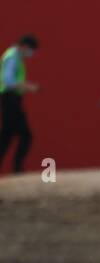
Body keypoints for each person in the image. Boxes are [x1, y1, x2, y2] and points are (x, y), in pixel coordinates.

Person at [0, 34, 38, 175]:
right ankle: (17, 169)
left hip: (11, 99)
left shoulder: (14, 57)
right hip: (10, 100)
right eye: (31, 49)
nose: (31, 53)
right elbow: (8, 81)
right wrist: (28, 87)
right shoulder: (12, 57)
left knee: (6, 137)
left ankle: (17, 169)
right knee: (25, 135)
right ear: (24, 46)